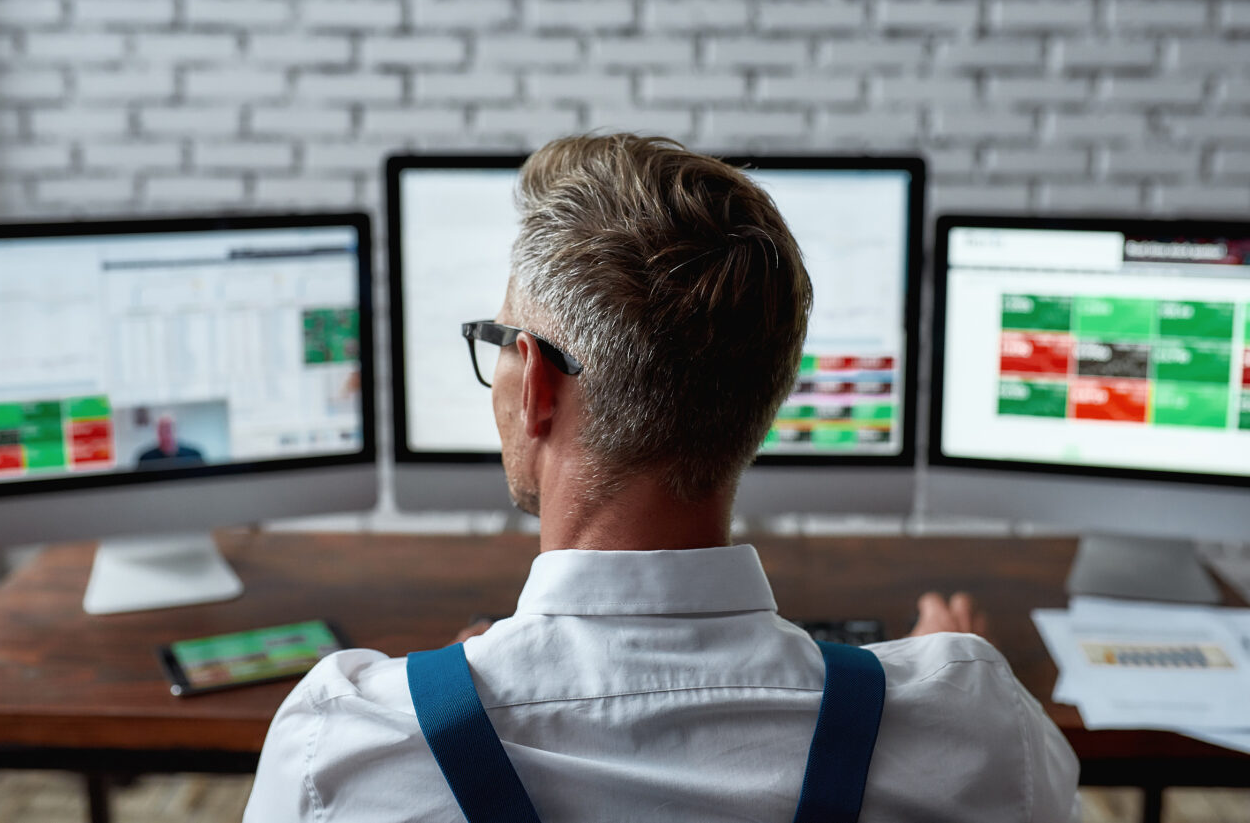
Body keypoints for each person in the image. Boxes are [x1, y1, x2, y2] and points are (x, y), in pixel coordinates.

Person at [245, 134, 1080, 822]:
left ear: (535, 384)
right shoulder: (975, 730)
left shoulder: (350, 744)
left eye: (499, 337)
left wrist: (457, 691)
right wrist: (955, 669)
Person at [134, 414, 204, 469]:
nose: (165, 435)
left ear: (176, 430)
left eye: (168, 430)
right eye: (161, 430)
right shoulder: (145, 458)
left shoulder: (194, 455)